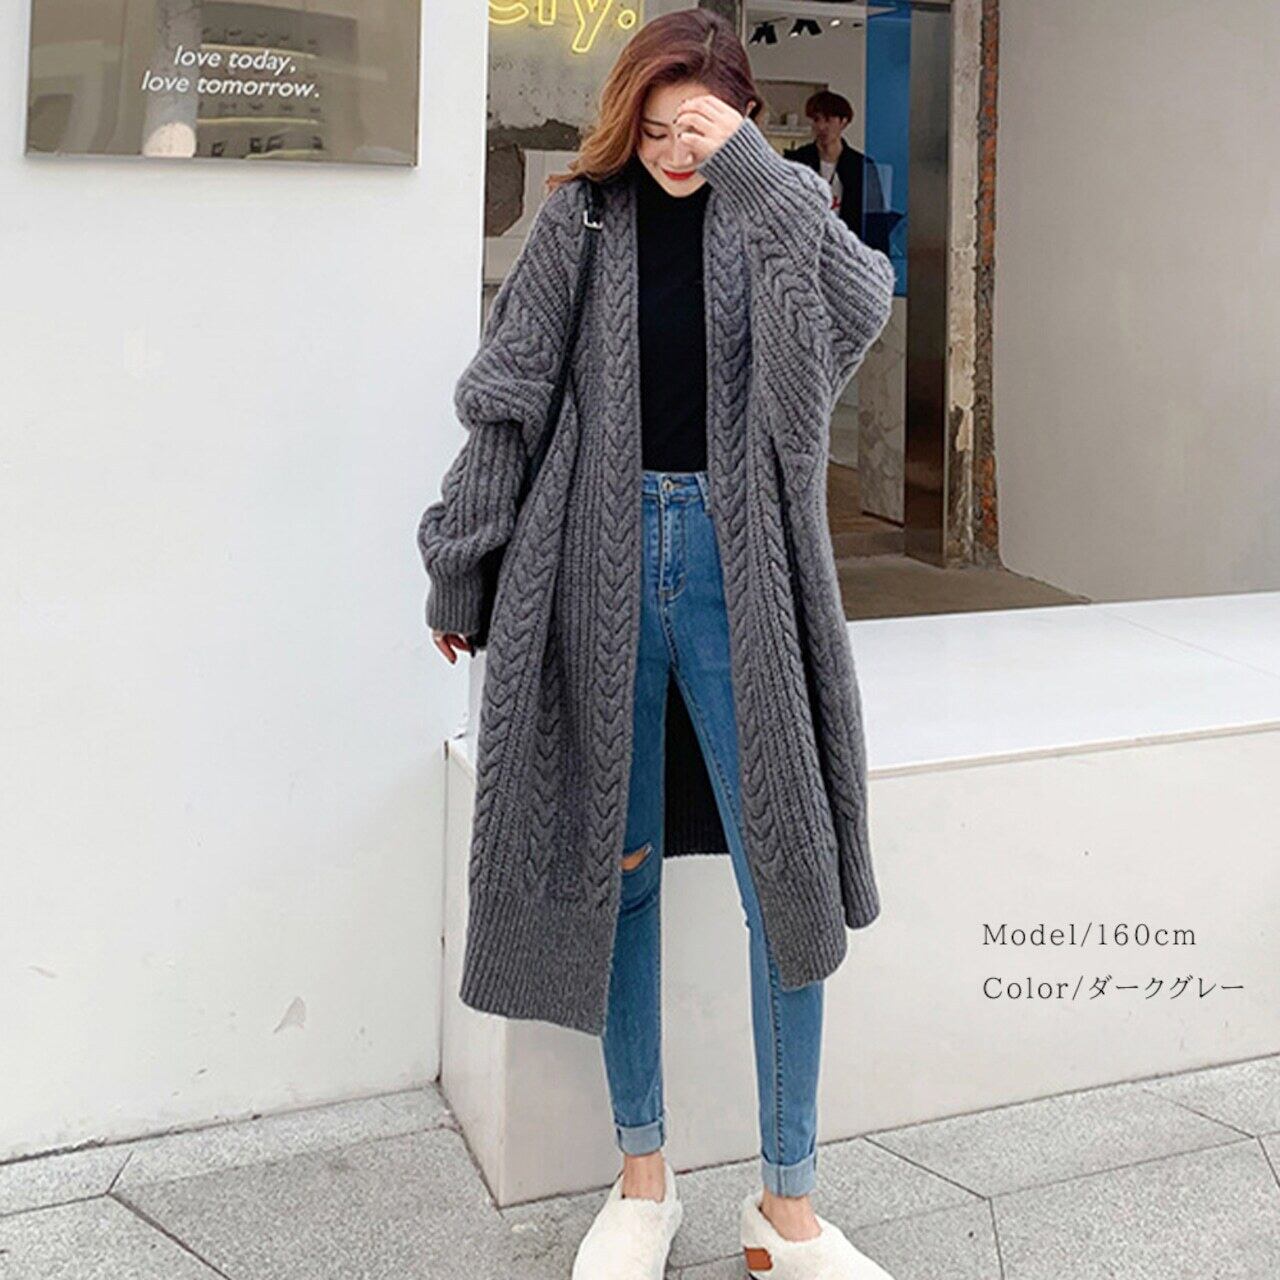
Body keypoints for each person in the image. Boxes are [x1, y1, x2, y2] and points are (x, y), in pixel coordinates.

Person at [416, 11, 896, 1279]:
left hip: (746, 575)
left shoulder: (770, 218)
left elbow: (860, 301)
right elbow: (506, 401)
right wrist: (461, 559)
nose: (675, 148)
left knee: (784, 875)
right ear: (623, 120)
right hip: (593, 564)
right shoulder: (579, 223)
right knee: (614, 869)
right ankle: (643, 1179)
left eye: (699, 124)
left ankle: (785, 1205)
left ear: (736, 117)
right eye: (657, 124)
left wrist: (753, 169)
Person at [783, 89, 890, 255]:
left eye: (828, 120)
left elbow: (875, 223)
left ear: (843, 122)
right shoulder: (797, 161)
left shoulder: (861, 166)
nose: (821, 127)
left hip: (848, 250)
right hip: (806, 249)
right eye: (816, 119)